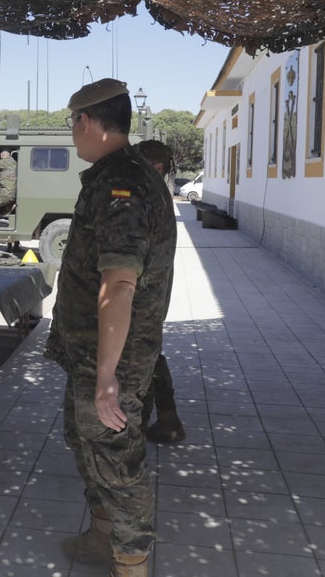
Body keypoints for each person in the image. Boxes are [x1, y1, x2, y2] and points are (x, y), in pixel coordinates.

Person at [45, 79, 176, 577]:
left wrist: (106, 377)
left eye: (72, 123)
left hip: (112, 356)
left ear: (86, 122)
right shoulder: (121, 175)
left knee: (118, 460)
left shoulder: (122, 183)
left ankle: (131, 562)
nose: (72, 133)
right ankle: (104, 536)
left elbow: (119, 285)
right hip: (92, 352)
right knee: (87, 444)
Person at [133, 139, 185, 444]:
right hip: (153, 290)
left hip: (145, 294)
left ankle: (139, 426)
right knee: (150, 355)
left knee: (142, 359)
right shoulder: (159, 196)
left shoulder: (150, 198)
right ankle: (168, 418)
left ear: (156, 167)